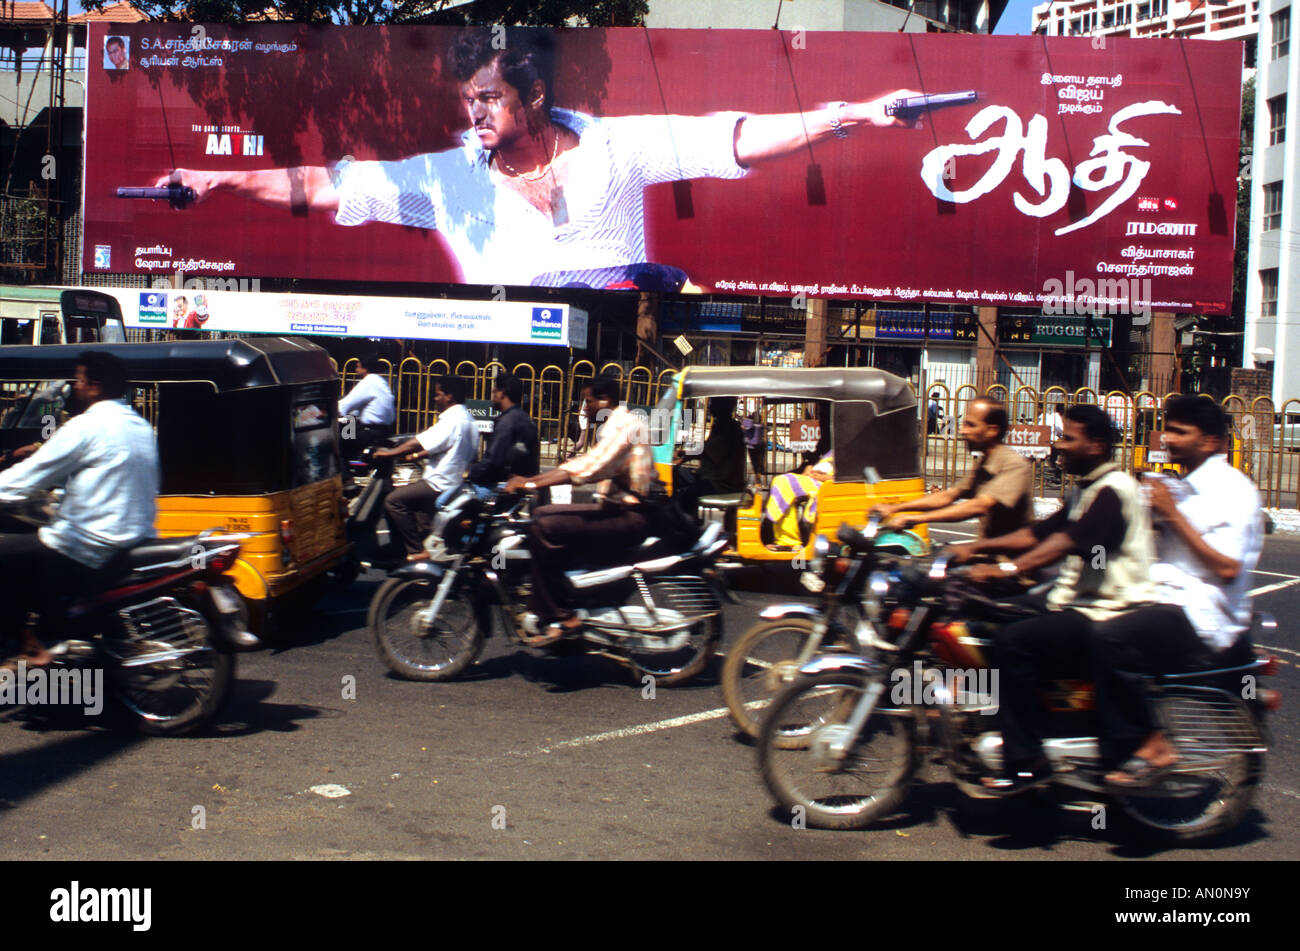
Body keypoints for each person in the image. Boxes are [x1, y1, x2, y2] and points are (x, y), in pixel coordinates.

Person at [155, 28, 927, 290]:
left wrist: (853, 114)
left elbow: (736, 137)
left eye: (489, 98)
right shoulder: (450, 181)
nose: (475, 112)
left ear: (531, 94)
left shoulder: (619, 147)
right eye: (469, 99)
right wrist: (217, 176)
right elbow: (327, 185)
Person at [950, 404, 1156, 792]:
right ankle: (1007, 720)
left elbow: (1066, 543)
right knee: (986, 619)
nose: (1056, 446)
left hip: (1107, 610)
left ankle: (1026, 761)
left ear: (1095, 445)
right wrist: (974, 550)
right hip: (1079, 600)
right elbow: (1038, 533)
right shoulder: (1088, 489)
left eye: (1066, 438)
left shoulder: (1113, 490)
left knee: (1014, 643)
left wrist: (1006, 569)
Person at [1090, 396, 1264, 788]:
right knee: (1084, 622)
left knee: (1110, 639)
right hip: (1167, 598)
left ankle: (1153, 744)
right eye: (1167, 429)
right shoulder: (1184, 484)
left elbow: (1226, 567)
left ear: (1212, 441)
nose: (1168, 439)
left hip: (1202, 612)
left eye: (1180, 432)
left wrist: (1171, 514)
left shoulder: (1231, 489)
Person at [0, 352, 159, 667]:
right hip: (135, 536)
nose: (74, 386)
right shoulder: (140, 426)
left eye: (79, 380)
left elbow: (30, 475)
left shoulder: (87, 426)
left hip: (87, 542)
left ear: (94, 386)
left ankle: (28, 646)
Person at [504, 375, 653, 645]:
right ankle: (565, 591)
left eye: (588, 401)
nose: (585, 408)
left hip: (628, 516)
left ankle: (561, 614)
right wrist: (532, 482)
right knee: (540, 515)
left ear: (605, 400)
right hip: (615, 509)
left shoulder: (625, 426)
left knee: (544, 527)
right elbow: (586, 462)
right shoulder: (618, 423)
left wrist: (528, 482)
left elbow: (589, 468)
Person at [872, 397, 1032, 541]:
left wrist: (914, 519)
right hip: (984, 558)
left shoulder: (1014, 465)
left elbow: (979, 506)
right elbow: (949, 496)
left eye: (971, 425)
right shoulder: (985, 462)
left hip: (1010, 564)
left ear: (992, 430)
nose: (963, 431)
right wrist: (894, 508)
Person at [374, 376, 479, 562]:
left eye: (438, 394)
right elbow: (441, 448)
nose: (435, 399)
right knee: (413, 507)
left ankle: (413, 551)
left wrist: (390, 453)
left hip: (439, 484)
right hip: (455, 484)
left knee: (393, 501)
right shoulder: (469, 420)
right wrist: (414, 456)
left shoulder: (452, 420)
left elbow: (418, 442)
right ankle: (412, 546)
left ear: (449, 396)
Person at [468, 372, 539, 497]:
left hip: (500, 486)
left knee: (443, 502)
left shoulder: (506, 423)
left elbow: (492, 463)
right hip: (519, 484)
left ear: (502, 393)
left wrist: (469, 471)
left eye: (494, 391)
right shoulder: (525, 419)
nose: (493, 396)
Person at [673, 396, 745, 512]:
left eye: (714, 403)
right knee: (679, 474)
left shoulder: (727, 427)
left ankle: (687, 526)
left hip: (720, 483)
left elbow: (708, 450)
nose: (711, 407)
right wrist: (682, 453)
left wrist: (682, 458)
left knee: (684, 498)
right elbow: (707, 447)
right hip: (713, 477)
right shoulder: (724, 425)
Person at [338, 350, 397, 458]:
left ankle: (345, 474)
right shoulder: (381, 381)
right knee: (349, 428)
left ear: (365, 368)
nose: (356, 369)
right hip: (385, 430)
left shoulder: (368, 382)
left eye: (358, 366)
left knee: (340, 444)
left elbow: (346, 404)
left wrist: (326, 410)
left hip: (371, 431)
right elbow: (356, 407)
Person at [741, 405, 766, 478]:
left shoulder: (751, 423)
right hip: (757, 445)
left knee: (755, 461)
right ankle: (759, 472)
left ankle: (758, 472)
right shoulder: (754, 424)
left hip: (753, 445)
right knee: (758, 461)